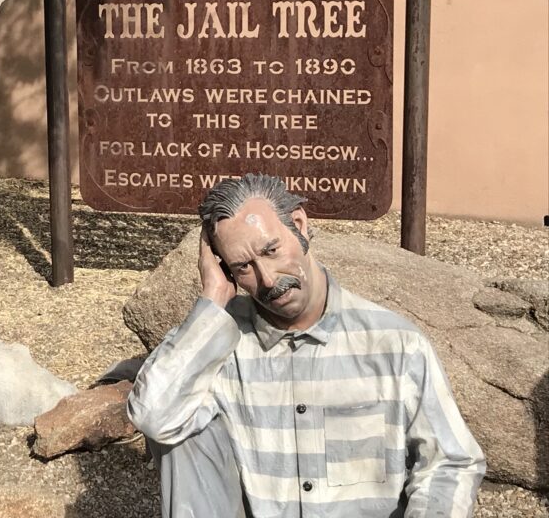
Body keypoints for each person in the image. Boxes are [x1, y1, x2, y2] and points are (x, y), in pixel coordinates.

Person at [127, 174, 486, 518]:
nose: (268, 279)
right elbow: (153, 416)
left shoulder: (396, 344)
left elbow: (452, 461)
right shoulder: (219, 348)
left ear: (298, 225)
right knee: (181, 427)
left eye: (271, 250)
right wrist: (212, 299)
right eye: (243, 267)